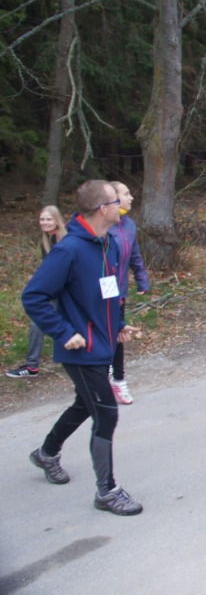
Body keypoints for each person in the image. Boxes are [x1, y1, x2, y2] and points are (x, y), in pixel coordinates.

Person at [22, 180, 142, 515]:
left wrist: (117, 326)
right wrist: (62, 332)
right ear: (103, 208)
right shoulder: (69, 250)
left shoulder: (106, 244)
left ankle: (46, 453)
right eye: (116, 200)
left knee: (85, 404)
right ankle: (107, 491)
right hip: (80, 350)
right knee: (106, 412)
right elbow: (34, 296)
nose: (122, 204)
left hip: (101, 345)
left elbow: (105, 295)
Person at [6, 206, 67, 378]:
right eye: (42, 219)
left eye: (48, 219)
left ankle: (101, 363)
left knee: (80, 324)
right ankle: (32, 366)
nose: (45, 223)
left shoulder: (64, 240)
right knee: (38, 324)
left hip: (67, 293)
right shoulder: (47, 240)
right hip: (54, 293)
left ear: (57, 220)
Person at [107, 181, 150, 405]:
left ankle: (119, 380)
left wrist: (142, 279)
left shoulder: (129, 225)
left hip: (119, 293)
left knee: (119, 336)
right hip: (99, 295)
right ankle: (102, 377)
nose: (131, 197)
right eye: (126, 193)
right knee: (105, 336)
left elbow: (135, 256)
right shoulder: (102, 226)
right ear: (111, 199)